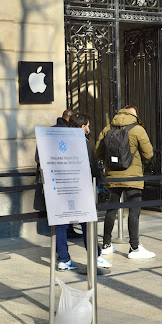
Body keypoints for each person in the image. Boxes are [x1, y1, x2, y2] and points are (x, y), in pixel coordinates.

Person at [95, 105, 155, 259]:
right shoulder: (138, 129)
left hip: (113, 176)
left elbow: (98, 152)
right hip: (133, 176)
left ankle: (106, 244)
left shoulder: (108, 128)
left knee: (111, 209)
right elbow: (148, 153)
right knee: (134, 211)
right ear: (134, 115)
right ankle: (134, 247)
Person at [56, 112, 111, 271]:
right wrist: (99, 180)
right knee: (88, 224)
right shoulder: (84, 143)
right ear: (82, 127)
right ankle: (96, 256)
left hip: (61, 188)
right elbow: (93, 167)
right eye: (87, 125)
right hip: (80, 188)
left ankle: (64, 259)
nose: (89, 128)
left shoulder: (58, 140)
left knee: (61, 224)